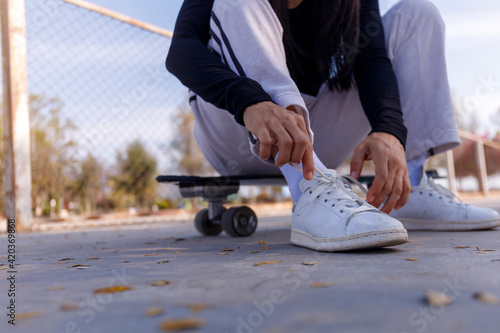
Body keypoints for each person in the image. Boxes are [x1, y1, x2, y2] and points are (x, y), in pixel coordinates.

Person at [166, 0, 500, 251]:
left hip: (315, 141)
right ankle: (307, 193)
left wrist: (389, 130)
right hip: (234, 129)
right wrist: (250, 101)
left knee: (418, 14)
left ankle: (404, 186)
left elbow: (372, 59)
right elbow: (181, 50)